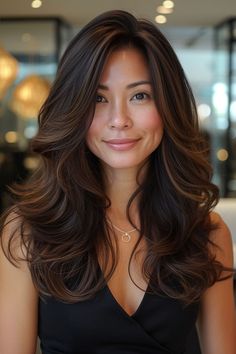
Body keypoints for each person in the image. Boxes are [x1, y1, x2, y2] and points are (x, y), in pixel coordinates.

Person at [0, 10, 235, 354]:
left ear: (167, 105)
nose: (119, 120)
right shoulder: (27, 232)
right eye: (98, 98)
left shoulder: (207, 232)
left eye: (139, 95)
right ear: (74, 109)